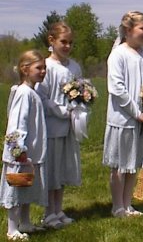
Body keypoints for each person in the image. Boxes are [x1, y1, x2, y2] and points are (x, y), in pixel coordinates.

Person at [102, 11, 143, 217]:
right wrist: (136, 112)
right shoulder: (119, 54)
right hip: (123, 118)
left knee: (133, 163)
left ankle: (128, 204)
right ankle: (117, 205)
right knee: (119, 164)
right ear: (128, 30)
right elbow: (117, 88)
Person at [36, 21, 82, 228]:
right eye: (63, 42)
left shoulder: (74, 66)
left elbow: (81, 90)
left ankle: (58, 208)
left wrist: (80, 106)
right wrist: (60, 110)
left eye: (71, 43)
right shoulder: (46, 67)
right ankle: (48, 213)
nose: (67, 46)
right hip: (52, 126)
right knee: (52, 170)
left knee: (62, 169)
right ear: (52, 41)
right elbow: (42, 97)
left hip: (69, 125)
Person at [0, 50, 47, 241]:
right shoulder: (23, 93)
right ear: (25, 69)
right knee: (17, 187)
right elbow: (17, 123)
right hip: (20, 153)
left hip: (31, 152)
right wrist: (18, 149)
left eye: (44, 68)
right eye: (39, 68)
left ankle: (25, 222)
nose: (43, 71)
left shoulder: (32, 92)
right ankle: (12, 228)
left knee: (27, 186)